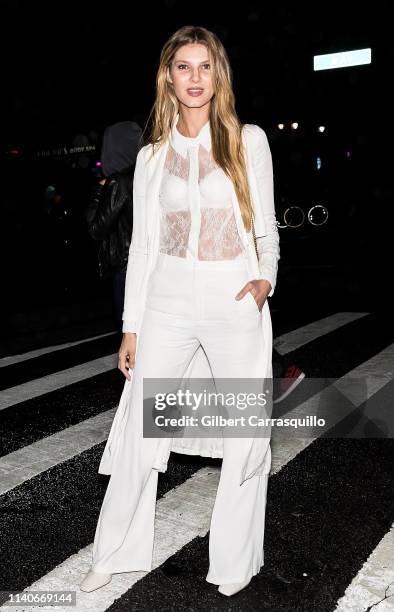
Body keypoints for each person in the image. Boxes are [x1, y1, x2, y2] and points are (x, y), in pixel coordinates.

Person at [80, 25, 280, 597]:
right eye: (183, 67)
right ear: (168, 77)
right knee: (141, 432)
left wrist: (265, 277)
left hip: (233, 300)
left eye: (205, 67)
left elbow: (264, 227)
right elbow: (142, 247)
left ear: (219, 75)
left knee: (244, 433)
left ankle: (235, 562)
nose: (194, 78)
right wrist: (131, 326)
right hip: (166, 303)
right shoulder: (150, 156)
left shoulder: (248, 140)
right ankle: (116, 552)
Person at [85, 121, 143, 327]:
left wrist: (100, 191)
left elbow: (96, 229)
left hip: (127, 269)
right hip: (147, 266)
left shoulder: (119, 183)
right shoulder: (145, 175)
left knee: (130, 333)